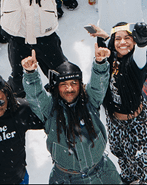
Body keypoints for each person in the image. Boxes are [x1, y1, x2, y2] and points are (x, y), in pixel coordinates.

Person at [22, 46, 123, 184]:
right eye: (63, 84)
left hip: (102, 172)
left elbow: (98, 86)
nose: (69, 88)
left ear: (80, 85)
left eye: (74, 83)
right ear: (56, 87)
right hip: (67, 178)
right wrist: (31, 74)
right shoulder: (49, 108)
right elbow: (36, 96)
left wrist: (100, 64)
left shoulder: (90, 100)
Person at [85, 23, 147, 184]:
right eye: (118, 39)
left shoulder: (136, 63)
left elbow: (140, 53)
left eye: (128, 38)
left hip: (135, 122)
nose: (123, 42)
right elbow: (113, 46)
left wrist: (142, 42)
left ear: (134, 42)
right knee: (118, 150)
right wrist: (104, 35)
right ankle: (129, 175)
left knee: (144, 161)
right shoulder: (111, 57)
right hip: (114, 120)